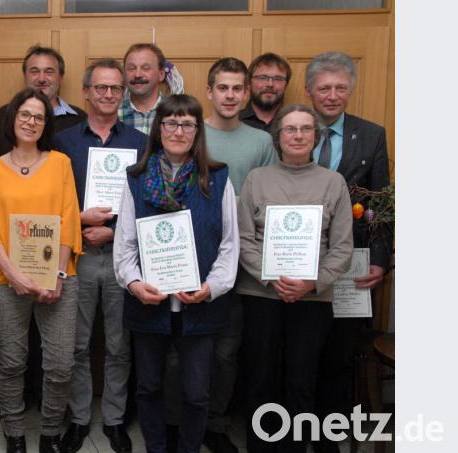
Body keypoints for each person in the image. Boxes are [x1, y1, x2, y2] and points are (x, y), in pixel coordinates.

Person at [113, 94, 239, 453]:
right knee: (149, 386)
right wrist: (134, 283)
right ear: (159, 128)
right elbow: (124, 244)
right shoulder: (136, 178)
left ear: (197, 131)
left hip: (200, 304)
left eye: (187, 123)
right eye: (170, 122)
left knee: (197, 392)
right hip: (148, 302)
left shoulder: (217, 178)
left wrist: (211, 287)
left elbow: (230, 243)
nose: (178, 131)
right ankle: (155, 447)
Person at [0, 45, 87, 422]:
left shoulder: (61, 163)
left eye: (39, 117)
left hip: (57, 278)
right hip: (4, 278)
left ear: (46, 124)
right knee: (10, 362)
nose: (31, 121)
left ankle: (51, 431)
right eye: (25, 114)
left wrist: (56, 274)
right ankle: (15, 431)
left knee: (59, 366)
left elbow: (69, 218)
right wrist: (14, 274)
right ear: (12, 118)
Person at [237, 104, 354, 453]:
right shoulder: (257, 179)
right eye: (290, 129)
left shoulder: (334, 182)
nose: (298, 135)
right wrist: (273, 279)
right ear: (278, 137)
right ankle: (261, 447)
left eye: (306, 129)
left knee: (302, 380)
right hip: (262, 294)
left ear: (316, 137)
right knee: (260, 379)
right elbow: (244, 240)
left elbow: (342, 248)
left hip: (313, 298)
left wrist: (311, 283)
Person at [54, 59, 147, 453]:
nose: (108, 95)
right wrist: (77, 223)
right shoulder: (64, 142)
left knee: (118, 345)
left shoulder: (142, 143)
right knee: (75, 345)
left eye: (115, 88)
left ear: (122, 93)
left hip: (123, 258)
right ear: (86, 92)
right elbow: (50, 203)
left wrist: (114, 229)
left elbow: (149, 204)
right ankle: (78, 419)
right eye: (100, 88)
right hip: (75, 255)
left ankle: (113, 420)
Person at [304, 52, 392, 453]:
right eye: (324, 87)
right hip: (299, 258)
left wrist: (380, 258)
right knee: (300, 349)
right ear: (309, 91)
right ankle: (293, 429)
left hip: (352, 263)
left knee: (339, 353)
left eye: (341, 87)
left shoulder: (371, 135)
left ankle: (328, 435)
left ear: (350, 90)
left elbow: (381, 206)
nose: (333, 95)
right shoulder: (292, 130)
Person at [202, 56, 275, 453]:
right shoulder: (192, 134)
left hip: (243, 263)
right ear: (209, 91)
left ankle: (215, 423)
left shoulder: (262, 142)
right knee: (186, 351)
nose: (230, 95)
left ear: (246, 94)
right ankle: (181, 421)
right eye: (222, 88)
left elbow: (271, 200)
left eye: (237, 89)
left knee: (227, 351)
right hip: (193, 260)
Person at [118, 43, 166, 135]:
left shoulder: (175, 112)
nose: (137, 74)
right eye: (131, 68)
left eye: (146, 68)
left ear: (161, 74)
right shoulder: (112, 115)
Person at [240, 53, 292, 132]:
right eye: (262, 78)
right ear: (249, 84)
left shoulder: (295, 124)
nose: (270, 84)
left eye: (278, 79)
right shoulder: (233, 122)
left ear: (286, 85)